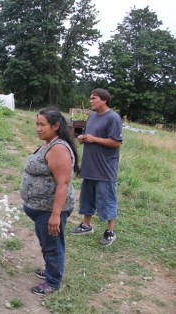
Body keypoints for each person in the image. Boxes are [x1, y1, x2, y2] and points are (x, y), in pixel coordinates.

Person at [20, 107, 79, 296]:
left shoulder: (59, 148)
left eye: (42, 125)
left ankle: (53, 281)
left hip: (50, 210)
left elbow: (63, 183)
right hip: (41, 209)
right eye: (36, 124)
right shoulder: (49, 143)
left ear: (56, 126)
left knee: (53, 246)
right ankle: (50, 269)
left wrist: (55, 215)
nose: (38, 128)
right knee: (47, 243)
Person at [71, 88, 123, 246]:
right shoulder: (92, 117)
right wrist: (83, 138)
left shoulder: (113, 118)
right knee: (87, 198)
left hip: (105, 168)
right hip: (90, 166)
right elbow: (90, 137)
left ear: (104, 100)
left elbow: (116, 142)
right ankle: (86, 225)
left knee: (107, 200)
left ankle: (110, 232)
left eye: (94, 98)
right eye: (90, 98)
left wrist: (93, 139)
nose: (90, 101)